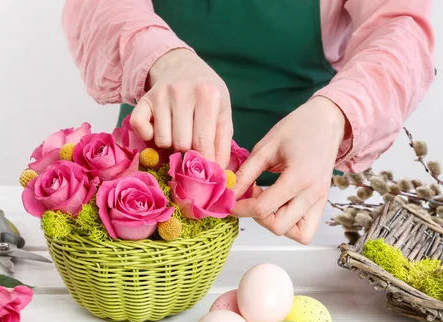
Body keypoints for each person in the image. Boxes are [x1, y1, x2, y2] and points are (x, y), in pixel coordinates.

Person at [62, 0, 435, 244]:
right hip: (145, 194)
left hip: (295, 198)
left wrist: (335, 112)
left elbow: (402, 27)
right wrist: (164, 57)